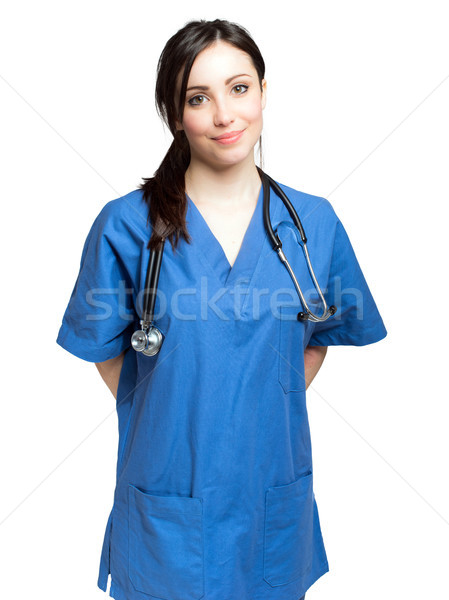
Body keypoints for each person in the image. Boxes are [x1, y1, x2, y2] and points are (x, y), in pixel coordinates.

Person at [56, 18, 387, 600]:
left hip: (272, 503)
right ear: (175, 114)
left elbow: (319, 336)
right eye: (198, 97)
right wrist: (180, 403)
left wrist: (254, 397)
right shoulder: (126, 226)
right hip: (167, 504)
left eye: (239, 88)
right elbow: (107, 354)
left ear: (264, 93)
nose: (224, 115)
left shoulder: (315, 223)